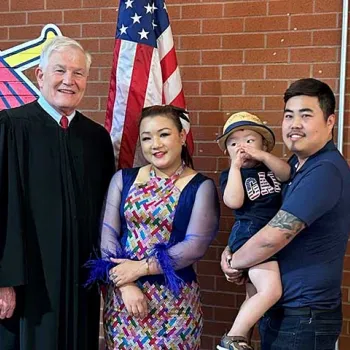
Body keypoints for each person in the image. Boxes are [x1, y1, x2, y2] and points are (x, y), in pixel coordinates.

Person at [0, 36, 115, 350]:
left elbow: (107, 213)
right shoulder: (11, 127)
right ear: (40, 75)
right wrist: (4, 280)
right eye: (60, 71)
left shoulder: (96, 139)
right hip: (29, 280)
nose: (69, 80)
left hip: (82, 280)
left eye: (78, 73)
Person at [221, 78, 350, 350]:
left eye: (306, 115)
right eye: (289, 115)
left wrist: (235, 261)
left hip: (305, 314)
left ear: (330, 122)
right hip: (284, 309)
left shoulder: (324, 170)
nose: (295, 124)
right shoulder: (294, 165)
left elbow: (273, 237)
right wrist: (231, 249)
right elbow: (255, 215)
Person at [89, 105, 220, 349]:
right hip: (125, 301)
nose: (155, 144)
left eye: (164, 134)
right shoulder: (123, 179)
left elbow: (194, 246)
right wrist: (125, 283)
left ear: (182, 136)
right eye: (147, 138)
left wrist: (140, 268)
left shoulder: (201, 186)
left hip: (175, 306)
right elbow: (107, 233)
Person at [216, 112, 290, 350]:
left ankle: (240, 341)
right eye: (234, 142)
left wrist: (264, 157)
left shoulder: (271, 168)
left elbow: (287, 173)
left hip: (270, 232)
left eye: (249, 140)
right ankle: (233, 337)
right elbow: (234, 202)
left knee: (254, 295)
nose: (242, 147)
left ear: (264, 144)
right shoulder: (231, 174)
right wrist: (236, 168)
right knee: (271, 290)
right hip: (249, 232)